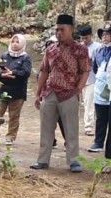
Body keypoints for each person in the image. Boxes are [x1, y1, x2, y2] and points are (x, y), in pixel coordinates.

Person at [31, 14, 91, 172]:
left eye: (62, 29)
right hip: (49, 92)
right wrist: (38, 94)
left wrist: (78, 89)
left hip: (69, 93)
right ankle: (43, 160)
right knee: (46, 128)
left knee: (71, 129)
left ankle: (74, 161)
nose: (58, 33)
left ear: (71, 29)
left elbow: (85, 71)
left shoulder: (80, 49)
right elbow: (44, 71)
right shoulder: (50, 49)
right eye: (56, 30)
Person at [0, 34, 32, 146]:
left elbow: (26, 73)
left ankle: (10, 137)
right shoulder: (4, 55)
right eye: (13, 41)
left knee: (14, 116)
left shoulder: (25, 58)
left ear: (22, 44)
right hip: (2, 90)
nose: (15, 44)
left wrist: (13, 73)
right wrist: (3, 75)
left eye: (18, 42)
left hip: (17, 92)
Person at [89, 24, 111, 153]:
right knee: (101, 116)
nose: (105, 36)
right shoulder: (98, 51)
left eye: (107, 34)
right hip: (100, 87)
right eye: (103, 34)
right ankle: (98, 142)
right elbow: (95, 68)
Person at [79, 25, 101, 136]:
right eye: (82, 38)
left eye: (86, 38)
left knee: (89, 103)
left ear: (91, 36)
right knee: (83, 103)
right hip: (79, 80)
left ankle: (88, 126)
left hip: (92, 78)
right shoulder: (78, 47)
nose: (84, 40)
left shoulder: (98, 47)